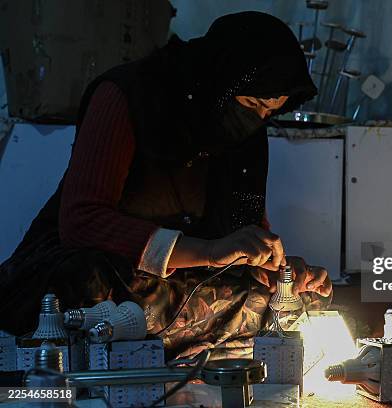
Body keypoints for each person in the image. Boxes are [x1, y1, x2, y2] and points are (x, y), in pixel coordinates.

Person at [0, 11, 332, 359]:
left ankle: (172, 340)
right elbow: (82, 221)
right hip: (98, 268)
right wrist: (206, 251)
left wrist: (277, 269)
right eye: (252, 104)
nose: (257, 119)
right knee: (89, 285)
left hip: (186, 282)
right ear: (219, 81)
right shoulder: (128, 96)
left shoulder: (244, 133)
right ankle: (199, 340)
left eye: (269, 112)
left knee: (294, 299)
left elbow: (242, 235)